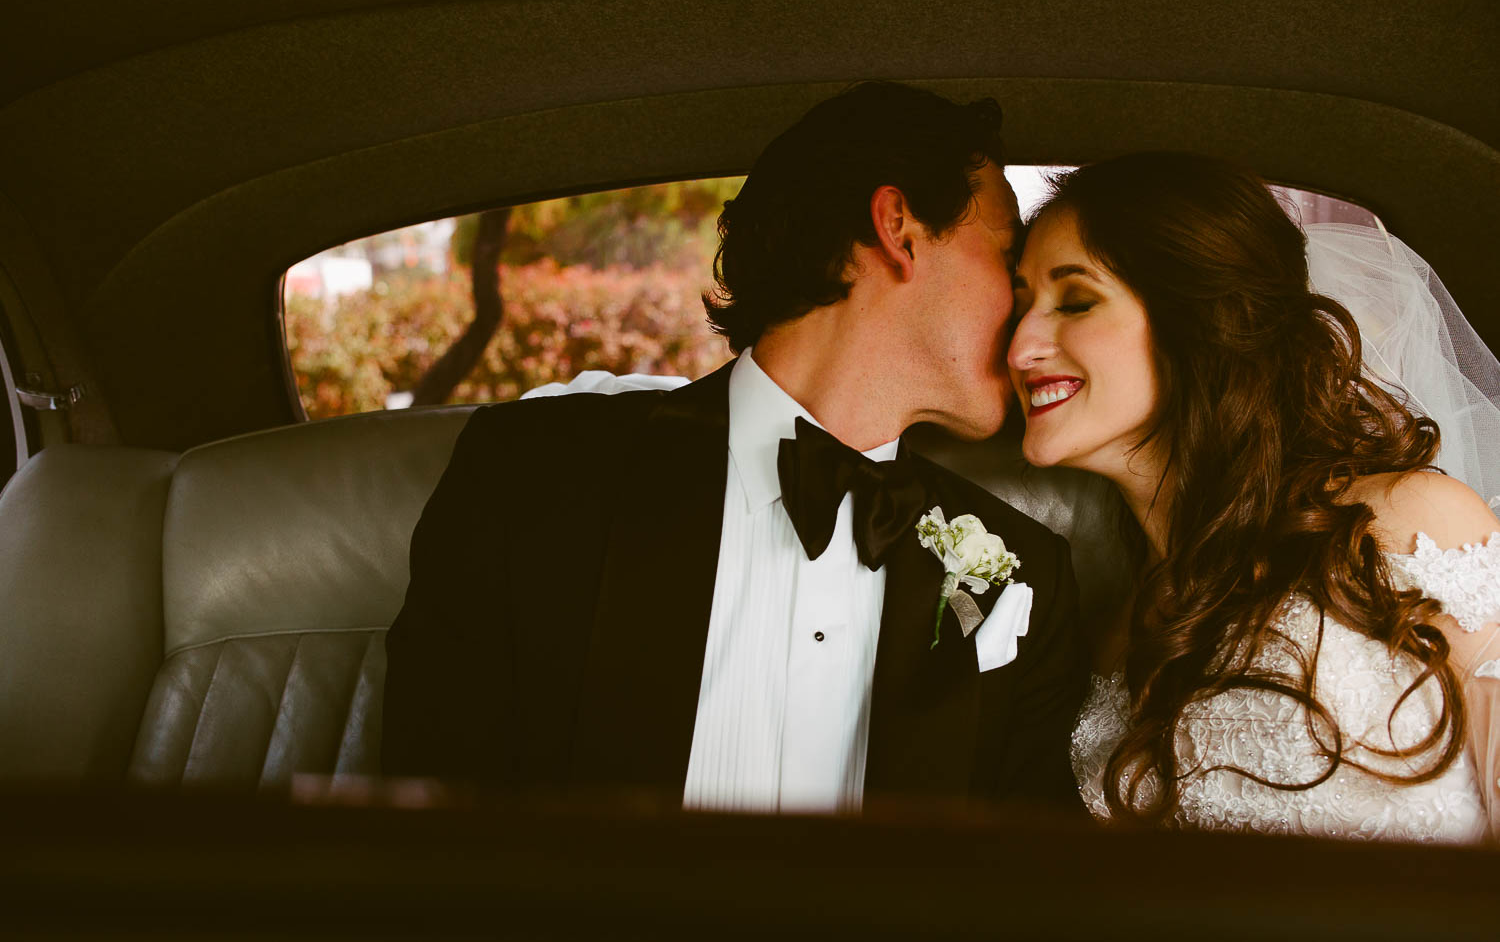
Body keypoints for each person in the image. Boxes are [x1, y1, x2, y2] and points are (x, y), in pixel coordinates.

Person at [382, 82, 1089, 814]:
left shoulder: (1023, 573)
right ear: (898, 229)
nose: (1029, 319)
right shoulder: (534, 478)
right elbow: (428, 838)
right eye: (1008, 261)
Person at [1007, 151, 1500, 842]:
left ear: (1201, 321)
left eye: (1076, 301)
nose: (1020, 345)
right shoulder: (1119, 635)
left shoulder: (1407, 527)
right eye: (1020, 305)